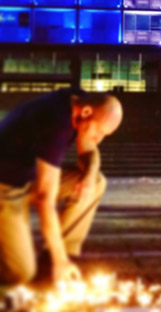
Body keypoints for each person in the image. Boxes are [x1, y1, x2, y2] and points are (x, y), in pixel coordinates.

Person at [0, 88, 123, 285]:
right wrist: (61, 261)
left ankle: (53, 261)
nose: (99, 139)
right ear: (86, 113)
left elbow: (89, 150)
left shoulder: (78, 100)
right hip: (6, 189)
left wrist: (89, 176)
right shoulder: (54, 125)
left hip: (27, 178)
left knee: (96, 182)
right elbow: (44, 200)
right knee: (19, 272)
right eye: (99, 132)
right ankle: (57, 262)